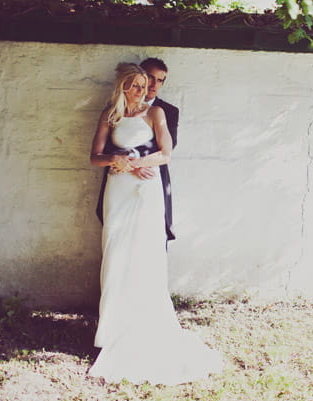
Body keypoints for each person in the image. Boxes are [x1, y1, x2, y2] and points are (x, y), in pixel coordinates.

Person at [88, 62, 222, 385]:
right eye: (133, 85)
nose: (140, 90)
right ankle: (111, 330)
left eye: (143, 84)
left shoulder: (155, 113)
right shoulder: (109, 115)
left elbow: (165, 154)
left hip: (146, 188)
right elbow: (95, 156)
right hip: (117, 189)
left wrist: (135, 164)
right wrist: (116, 160)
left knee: (146, 252)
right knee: (116, 250)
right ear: (122, 86)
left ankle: (145, 321)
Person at [96, 57, 178, 245]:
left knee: (151, 236)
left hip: (149, 176)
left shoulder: (166, 111)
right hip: (118, 177)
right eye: (150, 78)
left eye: (160, 80)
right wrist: (129, 166)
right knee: (116, 235)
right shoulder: (111, 113)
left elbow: (166, 149)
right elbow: (107, 148)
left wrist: (137, 164)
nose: (152, 85)